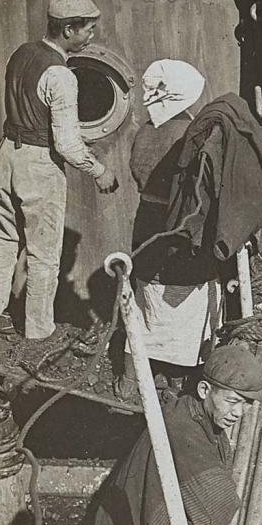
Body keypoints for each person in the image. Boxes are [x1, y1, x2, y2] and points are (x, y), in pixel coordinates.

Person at [79, 345, 262, 525]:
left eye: (246, 403)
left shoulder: (193, 413)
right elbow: (218, 512)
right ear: (205, 391)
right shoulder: (184, 430)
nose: (239, 412)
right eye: (232, 401)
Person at [0, 0, 119, 340]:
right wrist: (99, 170)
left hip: (7, 157)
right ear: (69, 29)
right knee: (43, 255)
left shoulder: (22, 53)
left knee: (3, 241)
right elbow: (68, 144)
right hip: (38, 165)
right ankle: (38, 331)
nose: (92, 36)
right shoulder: (61, 75)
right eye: (88, 29)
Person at [116, 60, 207, 398]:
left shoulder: (144, 133)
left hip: (147, 219)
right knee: (184, 299)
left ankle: (133, 376)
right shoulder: (191, 133)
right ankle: (178, 377)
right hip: (177, 221)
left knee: (145, 297)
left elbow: (138, 172)